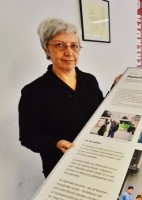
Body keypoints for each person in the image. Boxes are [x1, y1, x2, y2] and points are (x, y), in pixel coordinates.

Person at [18, 18, 117, 177]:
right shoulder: (33, 91)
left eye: (74, 46)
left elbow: (100, 112)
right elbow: (28, 137)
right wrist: (55, 143)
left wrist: (118, 87)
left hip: (96, 162)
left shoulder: (90, 80)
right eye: (59, 45)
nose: (69, 52)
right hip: (60, 168)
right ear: (46, 49)